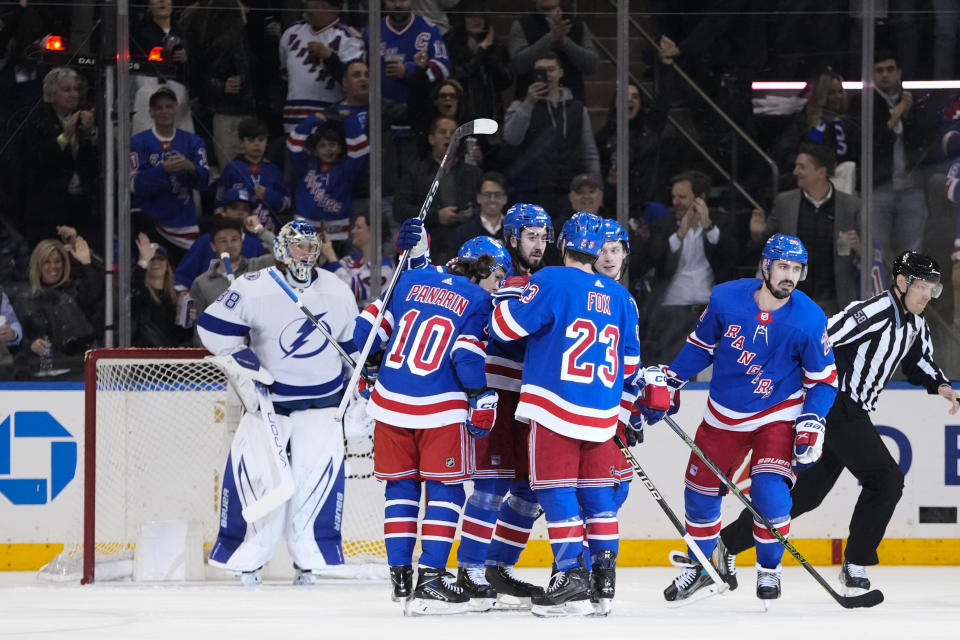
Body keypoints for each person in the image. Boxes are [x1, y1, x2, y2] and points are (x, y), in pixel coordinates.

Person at [716, 251, 960, 595]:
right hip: (835, 405)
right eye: (922, 286)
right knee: (885, 479)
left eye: (933, 289)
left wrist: (942, 385)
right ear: (902, 283)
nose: (927, 295)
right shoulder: (874, 311)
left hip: (849, 412)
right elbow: (822, 335)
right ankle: (856, 562)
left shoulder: (916, 324)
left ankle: (726, 542)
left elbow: (918, 361)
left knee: (804, 497)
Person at [655, 234, 838, 603]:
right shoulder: (726, 298)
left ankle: (769, 570)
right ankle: (705, 568)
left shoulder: (808, 318)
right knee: (700, 495)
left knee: (770, 494)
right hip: (723, 412)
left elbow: (824, 381)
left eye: (797, 269)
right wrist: (672, 381)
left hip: (777, 413)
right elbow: (700, 346)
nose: (790, 275)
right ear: (766, 265)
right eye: (783, 266)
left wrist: (813, 419)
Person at [488, 211, 642, 617]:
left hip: (553, 406)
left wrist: (507, 295)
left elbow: (504, 330)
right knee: (597, 496)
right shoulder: (623, 298)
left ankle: (570, 572)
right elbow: (630, 369)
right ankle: (603, 582)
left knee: (554, 490)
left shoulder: (551, 279)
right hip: (603, 414)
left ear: (563, 245)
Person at [198, 220, 360, 585]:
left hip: (323, 406)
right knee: (255, 481)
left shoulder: (337, 288)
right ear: (283, 248)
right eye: (300, 246)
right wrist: (242, 361)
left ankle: (311, 560)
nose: (307, 253)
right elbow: (212, 330)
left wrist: (360, 389)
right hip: (268, 406)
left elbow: (351, 346)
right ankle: (246, 559)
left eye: (312, 246)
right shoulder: (253, 287)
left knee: (316, 484)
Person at [351, 245, 497, 615]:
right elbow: (465, 355)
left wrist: (371, 366)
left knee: (400, 489)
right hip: (441, 408)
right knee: (445, 491)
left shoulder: (409, 280)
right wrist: (480, 394)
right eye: (496, 278)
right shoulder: (478, 298)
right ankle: (431, 579)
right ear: (481, 272)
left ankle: (400, 579)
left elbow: (362, 331)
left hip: (389, 404)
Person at [473, 203, 554, 609]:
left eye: (543, 237)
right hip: (501, 395)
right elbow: (508, 335)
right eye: (531, 236)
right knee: (490, 487)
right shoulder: (512, 282)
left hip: (530, 400)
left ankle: (496, 566)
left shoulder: (543, 282)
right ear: (512, 238)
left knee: (530, 490)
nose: (538, 244)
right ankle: (469, 573)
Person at [750, 142, 862, 315]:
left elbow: (870, 255)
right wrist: (757, 233)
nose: (795, 172)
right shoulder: (784, 202)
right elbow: (765, 246)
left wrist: (859, 247)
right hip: (791, 299)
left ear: (821, 173)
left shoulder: (851, 205)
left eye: (802, 167)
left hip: (834, 302)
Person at [848, 50, 935, 263]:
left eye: (889, 69)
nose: (885, 75)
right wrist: (895, 116)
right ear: (872, 75)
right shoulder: (863, 104)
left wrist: (907, 116)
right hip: (878, 188)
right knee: (876, 252)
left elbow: (925, 145)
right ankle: (880, 296)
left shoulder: (914, 104)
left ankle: (907, 296)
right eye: (879, 70)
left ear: (899, 72)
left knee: (911, 255)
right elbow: (866, 144)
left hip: (911, 189)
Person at [644, 170, 738, 363]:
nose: (676, 202)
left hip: (709, 309)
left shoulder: (722, 222)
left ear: (700, 199)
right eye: (674, 197)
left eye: (682, 197)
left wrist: (708, 226)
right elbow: (655, 258)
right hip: (672, 311)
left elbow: (731, 255)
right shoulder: (663, 225)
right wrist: (680, 233)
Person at [501, 51, 600, 218]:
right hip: (532, 190)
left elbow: (589, 152)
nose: (546, 75)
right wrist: (528, 103)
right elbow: (511, 137)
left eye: (551, 69)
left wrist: (596, 187)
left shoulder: (577, 108)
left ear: (561, 72)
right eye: (541, 70)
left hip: (569, 189)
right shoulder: (520, 105)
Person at [9, 67, 99, 248]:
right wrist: (65, 136)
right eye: (67, 90)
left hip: (81, 206)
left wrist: (91, 134)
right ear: (51, 94)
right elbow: (35, 160)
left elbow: (94, 163)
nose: (73, 94)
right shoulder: (34, 118)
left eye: (76, 89)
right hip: (47, 209)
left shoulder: (85, 117)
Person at [130, 86, 211, 258]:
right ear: (151, 112)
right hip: (150, 222)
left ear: (176, 108)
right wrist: (163, 170)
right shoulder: (137, 142)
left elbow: (204, 183)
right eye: (159, 108)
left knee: (184, 279)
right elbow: (134, 186)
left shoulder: (193, 141)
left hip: (183, 224)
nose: (164, 111)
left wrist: (190, 167)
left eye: (169, 106)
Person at [394, 115, 483, 264]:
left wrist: (471, 214)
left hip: (466, 247)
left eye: (453, 133)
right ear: (431, 139)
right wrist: (436, 216)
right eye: (443, 132)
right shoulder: (415, 171)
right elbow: (400, 209)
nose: (449, 136)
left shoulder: (474, 173)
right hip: (429, 246)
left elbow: (485, 207)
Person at [9, 239, 99, 380]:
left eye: (57, 261)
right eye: (47, 262)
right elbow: (15, 340)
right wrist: (30, 345)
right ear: (38, 265)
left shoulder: (76, 294)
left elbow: (96, 293)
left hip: (75, 372)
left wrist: (87, 262)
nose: (53, 267)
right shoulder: (24, 299)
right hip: (38, 375)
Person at [279, 0, 365, 131]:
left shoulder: (349, 38)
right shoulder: (291, 33)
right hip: (293, 119)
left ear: (332, 8)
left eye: (316, 3)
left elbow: (356, 85)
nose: (307, 7)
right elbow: (285, 74)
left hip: (330, 120)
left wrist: (330, 58)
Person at [287, 111, 369, 243]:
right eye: (322, 146)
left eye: (332, 145)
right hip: (304, 232)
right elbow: (293, 145)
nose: (328, 150)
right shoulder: (305, 165)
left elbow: (361, 149)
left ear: (340, 149)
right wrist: (311, 121)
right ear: (315, 150)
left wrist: (348, 120)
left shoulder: (346, 169)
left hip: (337, 234)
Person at [189, 217, 276, 334]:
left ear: (241, 241)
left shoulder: (258, 267)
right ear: (213, 246)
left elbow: (288, 253)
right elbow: (199, 327)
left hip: (259, 347)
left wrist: (260, 230)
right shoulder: (201, 283)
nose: (229, 245)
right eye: (223, 241)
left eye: (234, 239)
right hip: (221, 350)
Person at [173, 188, 271, 292]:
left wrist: (260, 231)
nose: (240, 213)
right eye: (234, 208)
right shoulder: (206, 241)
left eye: (245, 209)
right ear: (223, 212)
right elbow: (182, 277)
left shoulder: (255, 244)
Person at [507, 0, 599, 103]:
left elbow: (592, 65)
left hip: (571, 106)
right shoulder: (521, 24)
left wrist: (565, 42)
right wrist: (550, 38)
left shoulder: (578, 25)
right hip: (532, 105)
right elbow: (519, 64)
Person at [130, 0, 194, 134]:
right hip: (148, 92)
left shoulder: (183, 34)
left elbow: (196, 68)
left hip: (179, 94)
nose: (162, 1)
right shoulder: (139, 33)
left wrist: (186, 58)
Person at [215, 117, 290, 233]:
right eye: (251, 140)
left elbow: (286, 204)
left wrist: (268, 195)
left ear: (266, 141)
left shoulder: (273, 170)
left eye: (261, 140)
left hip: (269, 234)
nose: (256, 144)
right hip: (239, 235)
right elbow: (219, 205)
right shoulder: (232, 168)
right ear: (241, 142)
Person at [131, 233, 191, 348]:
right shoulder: (141, 293)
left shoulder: (178, 297)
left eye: (161, 258)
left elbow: (184, 333)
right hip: (145, 357)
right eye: (151, 259)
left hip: (173, 358)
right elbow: (134, 292)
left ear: (167, 265)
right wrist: (143, 262)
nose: (156, 262)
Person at [323, 214, 396, 306]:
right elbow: (328, 278)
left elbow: (352, 292)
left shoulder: (384, 268)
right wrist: (323, 255)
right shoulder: (351, 259)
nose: (353, 231)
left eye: (358, 227)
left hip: (367, 319)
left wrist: (331, 256)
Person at [449, 172, 509, 249]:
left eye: (497, 194)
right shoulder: (462, 233)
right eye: (487, 194)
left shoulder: (514, 232)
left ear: (505, 198)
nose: (492, 199)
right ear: (478, 198)